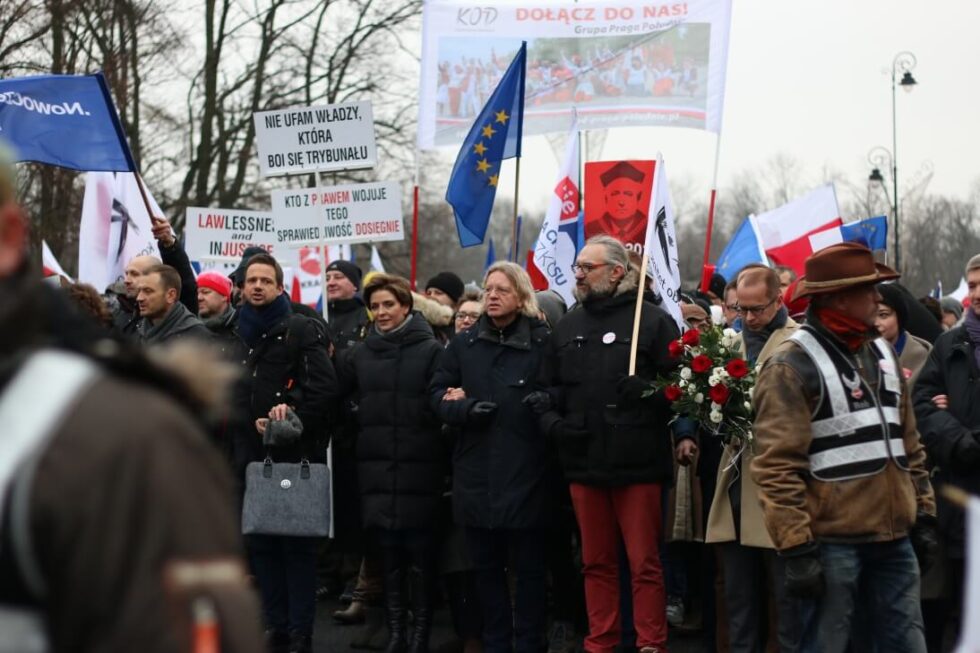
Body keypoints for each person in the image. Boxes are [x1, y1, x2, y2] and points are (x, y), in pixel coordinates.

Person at [0, 141, 263, 651]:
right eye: (133, 289)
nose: (137, 295)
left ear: (9, 237)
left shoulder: (131, 437)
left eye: (146, 289)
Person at [751, 243, 937, 653]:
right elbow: (776, 468)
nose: (878, 298)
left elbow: (910, 446)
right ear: (838, 298)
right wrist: (796, 547)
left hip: (895, 541)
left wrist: (923, 514)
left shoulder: (886, 353)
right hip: (831, 546)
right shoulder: (789, 365)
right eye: (869, 290)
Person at [539, 235, 681, 653]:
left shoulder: (652, 321)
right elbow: (549, 389)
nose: (577, 275)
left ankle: (650, 641)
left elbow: (682, 388)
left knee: (644, 563)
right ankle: (601, 640)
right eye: (577, 267)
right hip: (584, 460)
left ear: (617, 272)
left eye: (588, 268)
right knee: (595, 561)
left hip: (637, 462)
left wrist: (652, 392)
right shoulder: (568, 324)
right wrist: (554, 424)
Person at [431, 261, 553, 653]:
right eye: (488, 290)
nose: (493, 296)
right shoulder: (465, 345)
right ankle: (497, 643)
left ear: (521, 296)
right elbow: (436, 396)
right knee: (486, 571)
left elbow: (563, 390)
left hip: (527, 472)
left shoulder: (542, 341)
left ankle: (530, 642)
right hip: (476, 472)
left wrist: (546, 401)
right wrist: (463, 410)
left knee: (530, 572)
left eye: (502, 289)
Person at [230, 252, 338, 653]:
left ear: (279, 287)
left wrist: (285, 420)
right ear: (241, 286)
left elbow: (325, 389)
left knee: (295, 548)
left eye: (265, 280)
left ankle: (300, 634)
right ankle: (275, 628)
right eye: (251, 280)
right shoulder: (235, 330)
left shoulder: (300, 329)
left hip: (293, 458)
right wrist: (250, 422)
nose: (257, 286)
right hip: (249, 457)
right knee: (261, 546)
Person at [338, 274, 447, 653]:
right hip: (376, 468)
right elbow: (342, 399)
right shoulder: (361, 354)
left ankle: (419, 635)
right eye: (376, 306)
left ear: (406, 306)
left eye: (389, 304)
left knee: (420, 559)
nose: (381, 312)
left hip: (420, 468)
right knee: (389, 558)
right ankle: (397, 632)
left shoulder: (432, 350)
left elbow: (439, 407)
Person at [701, 264, 801, 653]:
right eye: (740, 309)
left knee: (785, 605)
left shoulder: (798, 342)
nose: (747, 318)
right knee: (739, 603)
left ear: (778, 300)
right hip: (736, 486)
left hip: (778, 493)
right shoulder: (728, 343)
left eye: (756, 309)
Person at [913, 253, 980, 649]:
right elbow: (922, 403)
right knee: (956, 607)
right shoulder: (948, 344)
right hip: (958, 499)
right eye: (972, 285)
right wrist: (959, 440)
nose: (975, 293)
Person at [136, 264, 211, 345]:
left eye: (148, 291)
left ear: (171, 295)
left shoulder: (197, 337)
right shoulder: (137, 330)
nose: (139, 298)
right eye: (139, 291)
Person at [875, 283, 932, 386]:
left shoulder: (921, 356)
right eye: (871, 315)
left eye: (883, 315)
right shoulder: (862, 356)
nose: (876, 323)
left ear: (899, 318)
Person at [585, 162, 648, 249]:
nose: (621, 202)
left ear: (638, 197)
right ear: (606, 198)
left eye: (628, 194)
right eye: (615, 194)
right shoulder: (591, 230)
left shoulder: (649, 229)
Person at [326, 259, 370, 352]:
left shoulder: (368, 315)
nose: (330, 283)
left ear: (354, 285)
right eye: (327, 279)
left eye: (338, 277)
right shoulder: (319, 316)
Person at [198, 270, 238, 352]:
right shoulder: (191, 327)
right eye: (197, 293)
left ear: (224, 296)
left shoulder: (239, 329)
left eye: (205, 292)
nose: (199, 297)